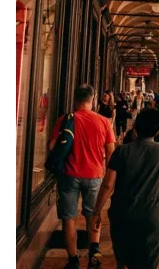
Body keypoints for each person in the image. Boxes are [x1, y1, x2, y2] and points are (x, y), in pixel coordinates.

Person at [91, 109, 159, 269]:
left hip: (123, 216)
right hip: (154, 218)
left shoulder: (121, 151)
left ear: (135, 127)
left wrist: (97, 212)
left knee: (123, 260)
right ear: (158, 129)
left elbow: (107, 185)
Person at [48, 85, 116, 269]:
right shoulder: (103, 122)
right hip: (95, 175)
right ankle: (94, 252)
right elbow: (111, 153)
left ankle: (73, 260)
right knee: (93, 214)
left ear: (75, 100)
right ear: (93, 100)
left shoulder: (66, 119)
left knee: (69, 218)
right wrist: (109, 178)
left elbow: (52, 146)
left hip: (69, 175)